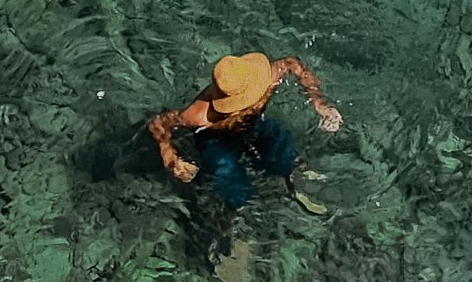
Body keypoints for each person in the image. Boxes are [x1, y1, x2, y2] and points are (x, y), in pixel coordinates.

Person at [143, 50, 339, 217]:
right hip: (215, 140)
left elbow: (293, 64)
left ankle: (293, 182)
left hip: (255, 125)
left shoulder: (265, 78)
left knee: (284, 152)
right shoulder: (199, 115)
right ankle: (230, 219)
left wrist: (319, 102)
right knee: (235, 189)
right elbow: (158, 124)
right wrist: (172, 160)